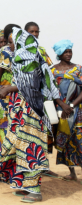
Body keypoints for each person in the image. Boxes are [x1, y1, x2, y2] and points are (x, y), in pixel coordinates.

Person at [0, 27, 70, 202]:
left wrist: (5, 89)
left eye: (11, 42)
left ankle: (34, 191)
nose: (9, 46)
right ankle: (24, 185)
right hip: (20, 110)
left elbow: (33, 85)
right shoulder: (27, 57)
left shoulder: (29, 59)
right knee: (19, 147)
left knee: (30, 149)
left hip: (31, 112)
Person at [51, 39, 82, 181]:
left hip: (77, 110)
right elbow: (50, 90)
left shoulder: (78, 69)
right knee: (64, 139)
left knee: (79, 139)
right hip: (60, 111)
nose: (69, 54)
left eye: (70, 51)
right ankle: (72, 172)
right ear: (59, 54)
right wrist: (63, 106)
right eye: (65, 52)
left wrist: (72, 105)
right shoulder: (52, 71)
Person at [0, 24, 20, 154]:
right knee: (6, 126)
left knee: (5, 126)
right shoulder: (7, 50)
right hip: (5, 95)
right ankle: (3, 158)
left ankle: (5, 158)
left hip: (9, 94)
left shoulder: (10, 50)